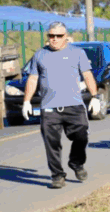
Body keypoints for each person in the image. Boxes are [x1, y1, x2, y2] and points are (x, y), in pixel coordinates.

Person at [21, 22, 102, 189]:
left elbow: (87, 75)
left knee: (81, 136)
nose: (54, 39)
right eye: (51, 36)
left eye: (58, 36)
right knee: (52, 144)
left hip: (74, 106)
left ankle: (76, 163)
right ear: (48, 37)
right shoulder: (40, 55)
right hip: (49, 108)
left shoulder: (77, 53)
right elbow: (33, 79)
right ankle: (57, 175)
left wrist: (95, 97)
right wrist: (26, 101)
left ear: (66, 37)